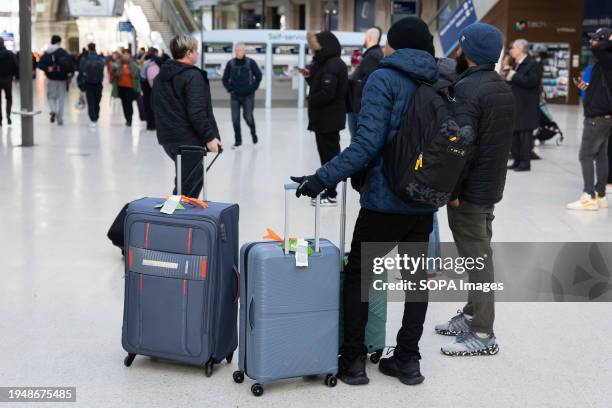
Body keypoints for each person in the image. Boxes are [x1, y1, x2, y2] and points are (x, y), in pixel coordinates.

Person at [291, 17, 438, 386]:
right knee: (416, 281)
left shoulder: (383, 79)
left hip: (384, 200)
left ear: (396, 46)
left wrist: (321, 178)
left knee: (360, 276)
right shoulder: (440, 80)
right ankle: (408, 360)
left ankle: (354, 360)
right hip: (423, 199)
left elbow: (366, 145)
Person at [433, 23, 515, 356]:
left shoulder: (468, 89)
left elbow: (460, 147)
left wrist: (452, 189)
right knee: (478, 253)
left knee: (478, 259)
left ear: (468, 52)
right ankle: (471, 314)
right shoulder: (500, 87)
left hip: (469, 191)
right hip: (490, 185)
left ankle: (483, 333)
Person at [152, 34, 222, 197]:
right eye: (196, 51)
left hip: (168, 139)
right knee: (187, 193)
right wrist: (209, 138)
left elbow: (155, 106)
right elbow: (197, 112)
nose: (197, 54)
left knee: (184, 185)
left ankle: (179, 220)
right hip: (189, 140)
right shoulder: (192, 76)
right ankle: (174, 221)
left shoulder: (161, 77)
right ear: (188, 53)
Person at [298, 31, 348, 206]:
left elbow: (327, 93)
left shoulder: (333, 65)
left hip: (329, 119)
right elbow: (320, 86)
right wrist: (309, 78)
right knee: (326, 156)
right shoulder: (325, 64)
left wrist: (311, 99)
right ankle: (328, 188)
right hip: (324, 120)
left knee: (330, 156)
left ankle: (331, 193)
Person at [567, 27, 612, 211]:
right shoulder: (604, 64)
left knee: (585, 155)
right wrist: (585, 87)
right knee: (601, 156)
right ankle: (600, 195)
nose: (592, 42)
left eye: (596, 38)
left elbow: (598, 49)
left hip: (597, 118)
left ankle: (589, 196)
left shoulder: (607, 59)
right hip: (603, 116)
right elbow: (600, 89)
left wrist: (608, 39)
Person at [505, 38, 541, 172]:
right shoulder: (516, 64)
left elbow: (532, 82)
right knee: (514, 136)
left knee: (525, 138)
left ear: (520, 50)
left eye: (513, 48)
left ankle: (525, 163)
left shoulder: (532, 64)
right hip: (516, 106)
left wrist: (514, 76)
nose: (511, 50)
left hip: (526, 107)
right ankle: (517, 160)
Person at [222, 43, 262, 149]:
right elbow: (225, 79)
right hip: (235, 96)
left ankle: (253, 133)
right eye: (237, 50)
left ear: (244, 51)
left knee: (248, 117)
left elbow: (259, 75)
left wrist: (253, 87)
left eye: (240, 50)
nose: (238, 52)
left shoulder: (251, 62)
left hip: (248, 96)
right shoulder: (230, 63)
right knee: (235, 119)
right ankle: (238, 141)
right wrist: (230, 89)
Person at [347, 27, 383, 139]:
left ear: (369, 37)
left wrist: (354, 83)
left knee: (357, 140)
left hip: (360, 108)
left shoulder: (372, 56)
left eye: (365, 36)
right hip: (360, 106)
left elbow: (369, 83)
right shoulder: (372, 55)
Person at [37, 35, 75, 125]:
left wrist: (47, 68)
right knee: (61, 99)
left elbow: (39, 64)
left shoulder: (47, 53)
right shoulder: (63, 52)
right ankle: (60, 119)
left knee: (50, 97)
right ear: (59, 42)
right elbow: (71, 64)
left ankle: (53, 110)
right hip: (62, 79)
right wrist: (70, 76)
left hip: (51, 78)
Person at [77, 43, 105, 127]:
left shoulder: (84, 58)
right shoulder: (100, 58)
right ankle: (96, 115)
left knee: (90, 101)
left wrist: (80, 84)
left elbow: (81, 71)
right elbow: (103, 69)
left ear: (88, 49)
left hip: (88, 83)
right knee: (97, 101)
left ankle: (93, 118)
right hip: (98, 82)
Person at [111, 49, 141, 126]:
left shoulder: (133, 64)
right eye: (124, 54)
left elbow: (137, 73)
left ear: (130, 55)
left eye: (127, 54)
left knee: (129, 103)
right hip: (121, 87)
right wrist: (118, 70)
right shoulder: (119, 63)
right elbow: (113, 69)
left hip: (130, 87)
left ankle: (129, 119)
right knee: (124, 103)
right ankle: (127, 118)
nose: (125, 55)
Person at [140, 47, 161, 131]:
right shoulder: (159, 61)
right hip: (156, 87)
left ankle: (150, 125)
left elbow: (142, 76)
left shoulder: (145, 63)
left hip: (146, 88)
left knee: (148, 106)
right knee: (156, 106)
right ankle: (156, 124)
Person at [0, 37, 18, 127]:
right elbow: (16, 65)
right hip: (7, 79)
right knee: (9, 98)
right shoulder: (10, 54)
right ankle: (8, 115)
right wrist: (15, 77)